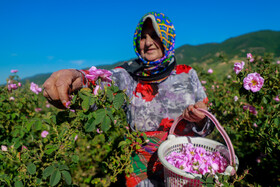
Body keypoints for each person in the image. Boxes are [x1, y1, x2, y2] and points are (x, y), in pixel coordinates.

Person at [43, 12, 214, 187]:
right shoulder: (129, 76)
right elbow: (105, 81)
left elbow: (207, 125)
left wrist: (201, 120)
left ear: (167, 37)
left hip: (186, 168)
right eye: (143, 37)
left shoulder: (188, 74)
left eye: (154, 35)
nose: (147, 43)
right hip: (143, 172)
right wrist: (80, 79)